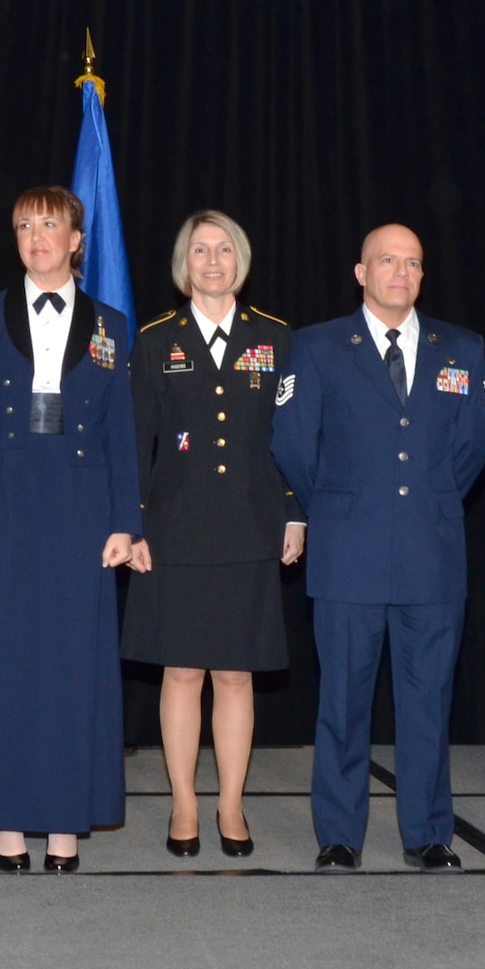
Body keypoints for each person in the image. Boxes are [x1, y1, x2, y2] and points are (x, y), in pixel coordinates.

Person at [0, 186, 141, 873]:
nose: (37, 236)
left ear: (77, 239)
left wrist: (125, 521)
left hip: (79, 509)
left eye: (50, 225)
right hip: (0, 503)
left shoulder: (111, 324)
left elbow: (122, 433)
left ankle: (64, 821)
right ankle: (8, 821)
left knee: (69, 666)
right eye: (24, 226)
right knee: (1, 667)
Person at [272, 223, 485, 872]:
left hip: (432, 552)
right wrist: (339, 505)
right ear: (360, 273)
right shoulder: (315, 348)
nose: (401, 272)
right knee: (343, 701)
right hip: (348, 553)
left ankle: (427, 833)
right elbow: (292, 444)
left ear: (424, 275)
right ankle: (339, 834)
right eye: (387, 261)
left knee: (428, 702)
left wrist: (424, 495)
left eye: (413, 263)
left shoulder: (463, 348)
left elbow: (474, 445)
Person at [124, 210, 302, 859]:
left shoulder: (277, 338)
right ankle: (182, 804)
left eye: (224, 248)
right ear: (184, 263)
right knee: (181, 672)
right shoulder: (153, 341)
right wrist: (132, 521)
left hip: (251, 526)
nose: (212, 260)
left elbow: (292, 439)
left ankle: (230, 805)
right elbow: (134, 440)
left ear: (241, 259)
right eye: (200, 249)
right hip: (174, 529)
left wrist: (295, 512)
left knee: (234, 674)